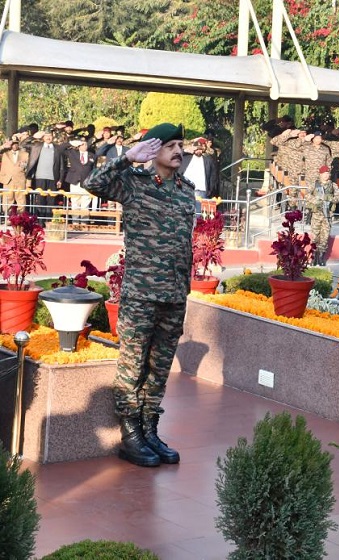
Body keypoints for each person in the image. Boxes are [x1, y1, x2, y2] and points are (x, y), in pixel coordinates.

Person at [84, 123, 195, 468]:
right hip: (142, 293)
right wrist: (126, 159)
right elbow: (92, 184)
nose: (178, 151)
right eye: (171, 145)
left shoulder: (186, 190)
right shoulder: (134, 183)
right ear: (153, 149)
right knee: (132, 366)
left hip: (175, 294)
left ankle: (149, 428)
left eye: (180, 145)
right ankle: (130, 433)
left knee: (159, 367)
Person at [305, 165, 339, 266]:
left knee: (325, 237)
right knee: (315, 236)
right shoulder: (314, 184)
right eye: (324, 173)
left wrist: (329, 198)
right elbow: (307, 194)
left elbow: (338, 198)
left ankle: (321, 258)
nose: (327, 175)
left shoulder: (333, 185)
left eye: (328, 173)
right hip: (316, 214)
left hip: (328, 215)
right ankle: (313, 256)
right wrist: (316, 200)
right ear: (320, 174)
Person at [179, 137, 220, 212]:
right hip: (185, 190)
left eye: (200, 149)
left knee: (199, 216)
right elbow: (177, 156)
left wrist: (210, 191)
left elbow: (213, 177)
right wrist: (186, 150)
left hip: (202, 191)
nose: (198, 150)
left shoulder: (208, 160)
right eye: (197, 148)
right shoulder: (186, 158)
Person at [61, 137, 95, 225]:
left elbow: (94, 169)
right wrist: (71, 143)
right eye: (82, 144)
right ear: (79, 146)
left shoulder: (92, 155)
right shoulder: (72, 153)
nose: (84, 146)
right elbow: (60, 149)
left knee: (86, 203)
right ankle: (75, 223)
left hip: (86, 182)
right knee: (75, 203)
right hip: (74, 181)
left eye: (86, 144)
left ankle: (84, 223)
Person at [0, 137, 29, 221]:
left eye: (16, 143)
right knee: (7, 200)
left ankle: (21, 219)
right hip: (8, 180)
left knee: (21, 200)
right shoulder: (5, 154)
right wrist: (3, 146)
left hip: (20, 180)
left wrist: (28, 183)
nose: (14, 145)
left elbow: (28, 169)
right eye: (12, 143)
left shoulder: (25, 154)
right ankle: (7, 219)